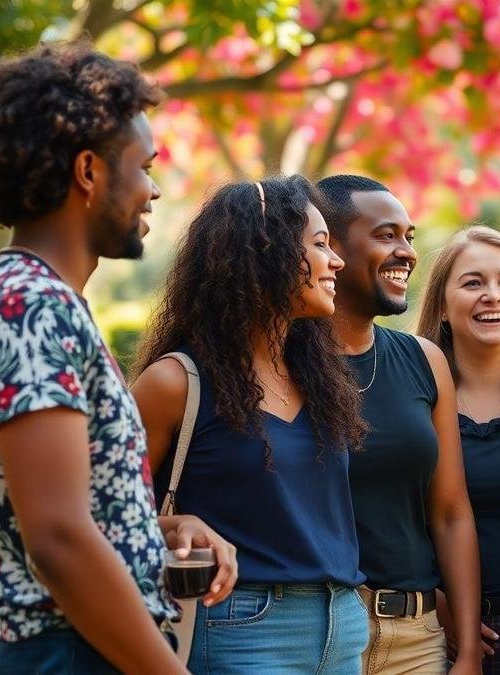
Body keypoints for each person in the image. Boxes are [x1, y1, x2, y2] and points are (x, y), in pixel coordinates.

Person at [0, 42, 234, 673]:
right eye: (144, 168)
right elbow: (58, 540)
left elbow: (69, 512)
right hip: (70, 651)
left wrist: (159, 529)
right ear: (88, 171)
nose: (153, 191)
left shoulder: (44, 301)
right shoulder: (29, 307)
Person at [130, 175, 370, 672]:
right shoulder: (175, 383)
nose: (337, 262)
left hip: (342, 624)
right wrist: (177, 525)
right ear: (266, 250)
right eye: (320, 244)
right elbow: (103, 518)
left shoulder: (322, 380)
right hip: (239, 626)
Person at [316, 175, 482, 674]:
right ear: (329, 247)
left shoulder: (423, 360)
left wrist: (468, 649)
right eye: (386, 236)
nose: (407, 253)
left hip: (415, 639)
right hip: (316, 631)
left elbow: (451, 512)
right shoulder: (279, 364)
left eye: (409, 237)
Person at [415, 226, 500, 673]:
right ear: (442, 306)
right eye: (473, 282)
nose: (493, 295)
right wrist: (437, 603)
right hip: (430, 630)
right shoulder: (409, 399)